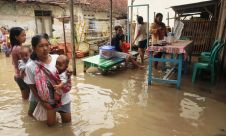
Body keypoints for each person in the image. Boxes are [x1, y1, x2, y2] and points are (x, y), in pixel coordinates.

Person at [24, 35, 71, 126]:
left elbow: (66, 72)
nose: (45, 48)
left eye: (47, 45)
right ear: (34, 48)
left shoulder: (57, 58)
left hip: (63, 98)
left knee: (67, 123)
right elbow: (32, 88)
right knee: (51, 126)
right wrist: (42, 103)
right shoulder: (30, 66)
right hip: (48, 102)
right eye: (41, 46)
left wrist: (69, 72)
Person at [10, 27, 30, 100]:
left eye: (25, 35)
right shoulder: (19, 48)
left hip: (17, 76)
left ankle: (23, 110)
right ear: (16, 37)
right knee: (30, 98)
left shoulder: (14, 47)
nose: (25, 37)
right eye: (22, 35)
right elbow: (27, 63)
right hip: (22, 76)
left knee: (25, 98)